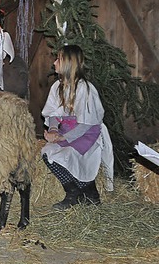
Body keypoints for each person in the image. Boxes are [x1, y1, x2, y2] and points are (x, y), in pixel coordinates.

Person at [41, 44, 114, 209]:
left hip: (86, 134)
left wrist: (64, 137)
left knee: (72, 155)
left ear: (68, 63)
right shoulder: (57, 87)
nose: (54, 63)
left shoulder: (85, 89)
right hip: (67, 132)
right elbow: (53, 113)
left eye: (58, 59)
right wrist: (53, 129)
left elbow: (86, 124)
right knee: (48, 153)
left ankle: (91, 192)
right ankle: (73, 192)